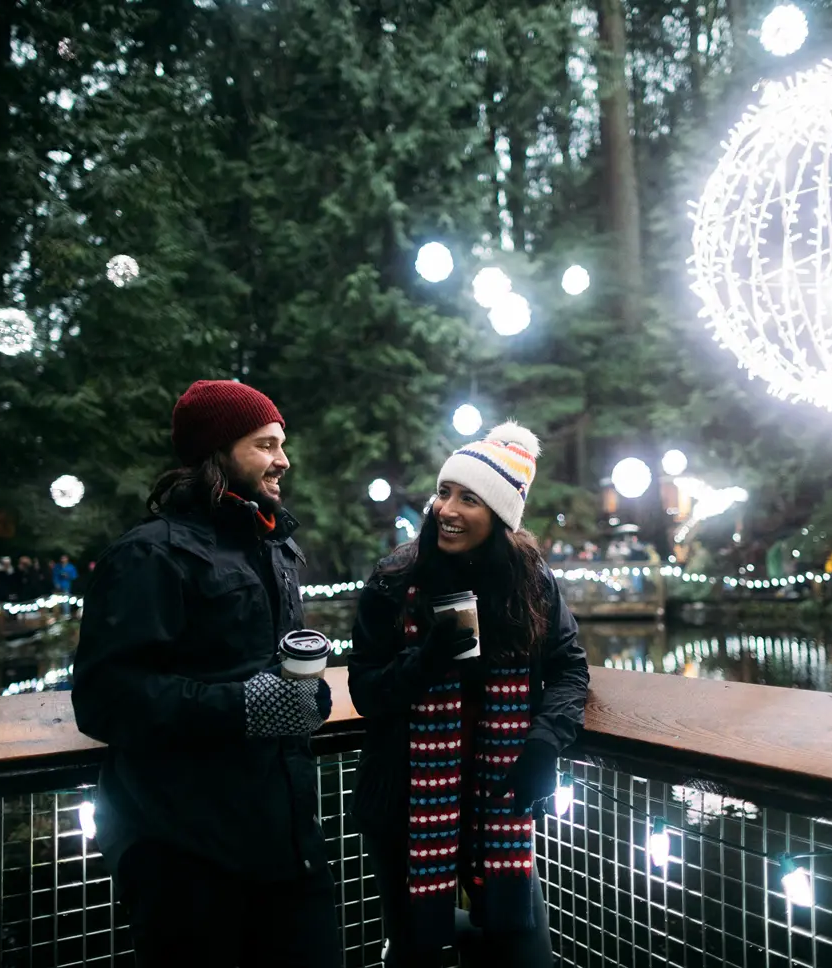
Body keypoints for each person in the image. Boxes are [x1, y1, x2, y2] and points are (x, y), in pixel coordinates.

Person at [70, 380, 338, 968]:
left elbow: (268, 670)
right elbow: (104, 697)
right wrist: (245, 706)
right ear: (218, 452)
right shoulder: (149, 554)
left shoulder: (276, 548)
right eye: (265, 445)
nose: (283, 460)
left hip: (287, 845)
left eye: (282, 444)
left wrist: (306, 697)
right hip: (185, 857)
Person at [349, 421, 589, 967]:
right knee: (416, 951)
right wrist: (427, 658)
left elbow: (569, 668)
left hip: (499, 796)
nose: (446, 509)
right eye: (444, 492)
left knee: (523, 952)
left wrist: (544, 743)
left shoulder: (530, 582)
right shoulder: (395, 580)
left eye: (469, 499)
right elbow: (366, 690)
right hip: (406, 803)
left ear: (501, 515)